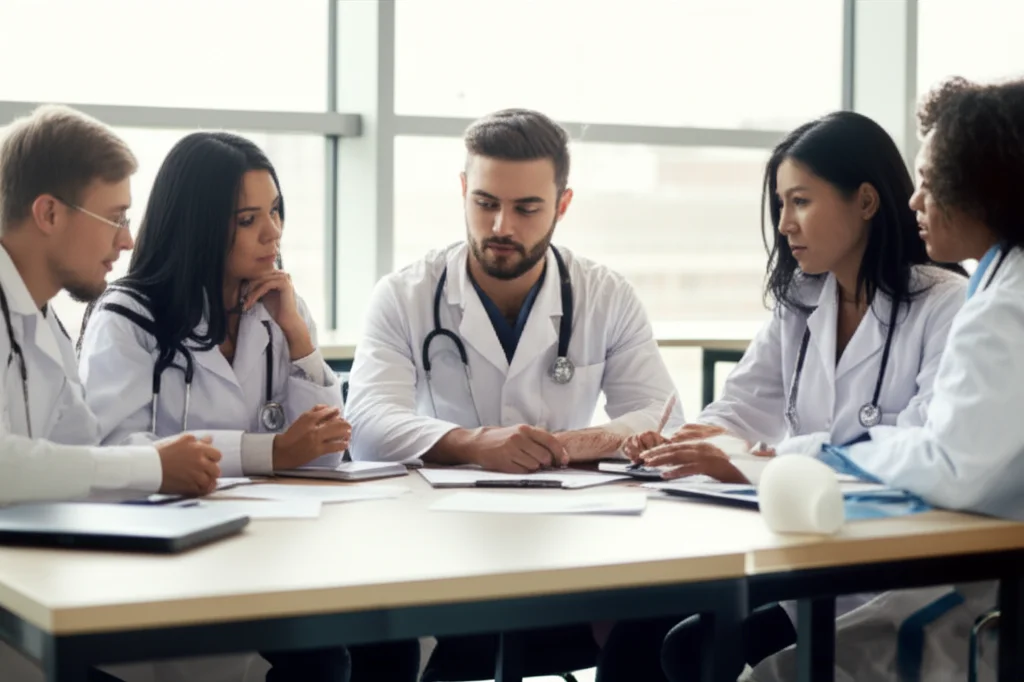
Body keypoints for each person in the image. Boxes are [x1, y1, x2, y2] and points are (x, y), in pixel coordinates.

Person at [622, 111, 967, 681]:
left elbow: (911, 452)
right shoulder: (802, 303)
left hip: (887, 573)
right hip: (801, 556)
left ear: (866, 201)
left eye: (800, 202)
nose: (784, 224)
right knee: (639, 634)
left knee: (692, 648)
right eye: (780, 204)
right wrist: (677, 444)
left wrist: (751, 463)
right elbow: (737, 409)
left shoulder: (944, 304)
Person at [345, 108, 681, 681]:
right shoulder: (405, 294)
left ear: (563, 205)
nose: (502, 225)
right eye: (485, 203)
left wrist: (581, 443)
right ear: (462, 191)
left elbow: (664, 418)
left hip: (568, 546)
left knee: (666, 619)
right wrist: (474, 443)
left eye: (527, 208)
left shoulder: (605, 295)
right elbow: (369, 424)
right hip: (435, 547)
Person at [77, 132, 416, 682]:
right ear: (198, 224)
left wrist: (299, 337)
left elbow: (325, 455)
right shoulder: (127, 317)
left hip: (274, 551)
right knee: (322, 661)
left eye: (276, 211)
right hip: (174, 565)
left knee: (391, 644)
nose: (273, 232)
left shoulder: (279, 307)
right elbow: (112, 456)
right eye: (247, 219)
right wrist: (271, 450)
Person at [747, 75, 1024, 682]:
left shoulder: (998, 304)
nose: (916, 201)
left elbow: (955, 468)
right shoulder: (1003, 285)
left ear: (985, 185)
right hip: (966, 570)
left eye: (929, 182)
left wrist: (813, 455)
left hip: (978, 592)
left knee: (766, 675)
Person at [0, 106, 223, 681]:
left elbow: (83, 449)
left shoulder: (47, 324)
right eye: (115, 217)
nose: (126, 240)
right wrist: (151, 468)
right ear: (48, 212)